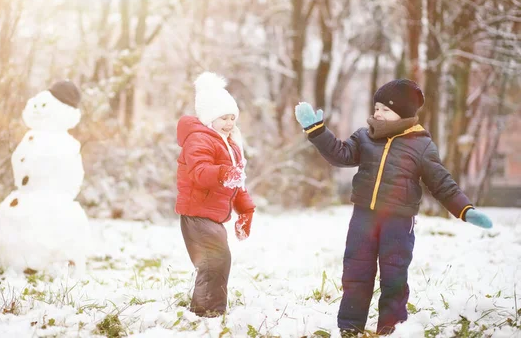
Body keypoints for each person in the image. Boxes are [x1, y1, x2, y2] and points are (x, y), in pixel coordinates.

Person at [294, 79, 493, 336]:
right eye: (376, 107)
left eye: (385, 109)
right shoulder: (364, 137)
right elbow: (340, 155)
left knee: (394, 276)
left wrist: (465, 209)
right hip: (364, 217)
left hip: (398, 221)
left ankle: (392, 328)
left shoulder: (421, 145)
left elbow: (442, 183)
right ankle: (349, 326)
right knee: (356, 271)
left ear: (404, 113)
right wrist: (317, 130)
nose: (377, 113)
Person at [175, 71, 256, 317]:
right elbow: (199, 172)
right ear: (209, 117)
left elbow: (236, 181)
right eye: (224, 118)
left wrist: (246, 210)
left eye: (233, 117)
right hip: (197, 214)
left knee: (217, 261)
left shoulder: (229, 143)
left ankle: (209, 308)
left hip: (213, 215)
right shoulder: (199, 139)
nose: (230, 123)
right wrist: (223, 172)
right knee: (214, 261)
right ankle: (207, 311)